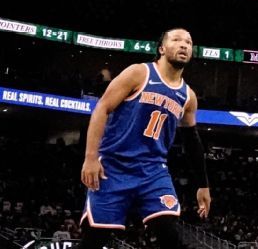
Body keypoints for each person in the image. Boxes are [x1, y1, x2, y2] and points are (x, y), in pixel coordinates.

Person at [78, 28, 211, 249]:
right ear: (161, 48)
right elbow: (102, 108)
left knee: (169, 234)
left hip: (153, 170)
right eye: (176, 40)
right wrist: (91, 157)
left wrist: (203, 185)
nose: (184, 45)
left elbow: (191, 141)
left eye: (188, 42)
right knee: (94, 240)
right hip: (113, 165)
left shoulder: (188, 96)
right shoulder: (139, 73)